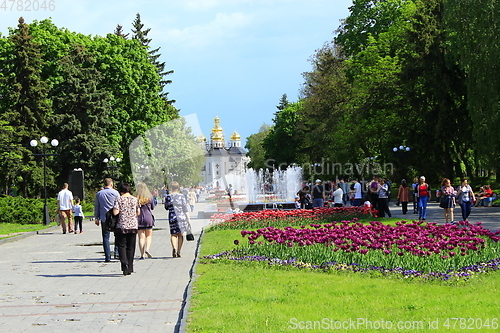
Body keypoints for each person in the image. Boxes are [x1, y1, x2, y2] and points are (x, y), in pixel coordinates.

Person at [112, 183, 140, 276]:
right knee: (131, 247)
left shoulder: (118, 199)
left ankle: (124, 265)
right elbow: (138, 212)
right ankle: (130, 266)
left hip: (122, 225)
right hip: (133, 225)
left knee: (121, 246)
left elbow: (115, 212)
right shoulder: (135, 199)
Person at [94, 178, 120, 262]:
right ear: (111, 184)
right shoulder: (116, 193)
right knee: (118, 235)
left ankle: (107, 256)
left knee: (105, 237)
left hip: (104, 217)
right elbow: (119, 205)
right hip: (115, 217)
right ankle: (116, 253)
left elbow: (97, 206)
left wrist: (97, 217)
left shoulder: (99, 194)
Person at [165, 181, 192, 258]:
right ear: (178, 188)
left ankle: (174, 248)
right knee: (180, 235)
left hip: (172, 217)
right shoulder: (181, 196)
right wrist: (188, 219)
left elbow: (166, 207)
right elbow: (185, 208)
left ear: (171, 188)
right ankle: (179, 251)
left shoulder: (168, 196)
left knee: (173, 234)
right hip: (181, 217)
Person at [135, 182, 155, 259]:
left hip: (139, 218)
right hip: (148, 217)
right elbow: (153, 207)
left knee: (141, 237)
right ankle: (147, 249)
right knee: (149, 236)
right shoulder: (149, 198)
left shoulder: (136, 198)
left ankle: (142, 254)